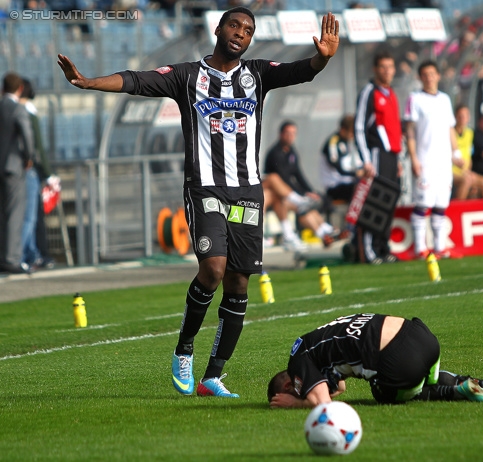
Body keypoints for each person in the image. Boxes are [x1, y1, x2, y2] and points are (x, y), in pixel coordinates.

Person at [58, 7, 340, 398]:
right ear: (218, 28)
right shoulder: (188, 76)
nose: (240, 33)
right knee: (213, 268)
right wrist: (88, 83)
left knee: (239, 280)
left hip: (247, 191)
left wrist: (322, 58)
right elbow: (136, 81)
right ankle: (184, 349)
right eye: (234, 25)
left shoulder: (257, 74)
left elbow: (300, 70)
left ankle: (214, 375)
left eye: (247, 29)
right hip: (205, 188)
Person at [267, 313, 483, 408]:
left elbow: (322, 402)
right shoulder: (319, 342)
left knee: (384, 394)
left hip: (399, 361)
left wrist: (294, 403)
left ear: (291, 384)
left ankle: (456, 391)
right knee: (413, 378)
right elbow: (340, 388)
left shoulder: (297, 358)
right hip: (422, 336)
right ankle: (477, 382)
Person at [404, 60, 461, 260]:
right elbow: (410, 131)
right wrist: (413, 158)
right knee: (423, 204)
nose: (429, 77)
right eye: (425, 74)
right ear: (420, 78)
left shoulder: (445, 99)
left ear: (438, 75)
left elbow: (450, 128)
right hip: (425, 160)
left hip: (444, 161)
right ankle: (420, 248)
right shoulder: (415, 99)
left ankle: (439, 247)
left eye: (432, 74)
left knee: (440, 205)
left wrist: (456, 153)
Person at [353, 50, 403, 265]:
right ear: (375, 69)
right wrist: (366, 160)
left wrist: (399, 158)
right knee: (375, 203)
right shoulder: (369, 92)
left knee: (389, 203)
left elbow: (394, 129)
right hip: (376, 154)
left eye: (390, 67)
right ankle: (370, 252)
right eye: (383, 67)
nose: (387, 71)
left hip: (392, 156)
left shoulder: (391, 93)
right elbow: (359, 127)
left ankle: (383, 248)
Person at [264, 121, 346, 248]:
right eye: (287, 133)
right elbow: (284, 179)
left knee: (303, 206)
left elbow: (298, 174)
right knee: (293, 199)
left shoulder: (291, 151)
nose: (290, 136)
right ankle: (320, 230)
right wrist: (301, 194)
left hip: (283, 197)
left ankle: (324, 231)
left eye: (293, 133)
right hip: (274, 195)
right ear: (281, 134)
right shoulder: (275, 153)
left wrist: (309, 191)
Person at [0, 72, 35, 275]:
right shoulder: (17, 109)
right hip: (13, 167)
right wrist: (28, 157)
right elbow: (27, 135)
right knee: (14, 214)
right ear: (20, 88)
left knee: (1, 214)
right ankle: (11, 259)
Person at [19, 78, 55, 271]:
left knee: (30, 216)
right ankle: (26, 255)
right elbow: (37, 146)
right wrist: (48, 173)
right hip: (29, 171)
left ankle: (32, 254)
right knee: (29, 217)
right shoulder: (26, 111)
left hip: (28, 170)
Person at [452, 105, 483, 200]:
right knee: (467, 180)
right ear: (455, 117)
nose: (462, 118)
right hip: (451, 172)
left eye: (465, 116)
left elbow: (469, 156)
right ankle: (457, 211)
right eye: (460, 116)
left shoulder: (470, 133)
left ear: (469, 117)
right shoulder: (450, 133)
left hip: (465, 172)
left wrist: (468, 171)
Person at [320, 114, 363, 204]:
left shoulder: (348, 142)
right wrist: (356, 173)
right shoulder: (333, 142)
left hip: (346, 182)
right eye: (351, 132)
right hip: (334, 186)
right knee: (361, 189)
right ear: (343, 130)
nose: (353, 135)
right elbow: (338, 168)